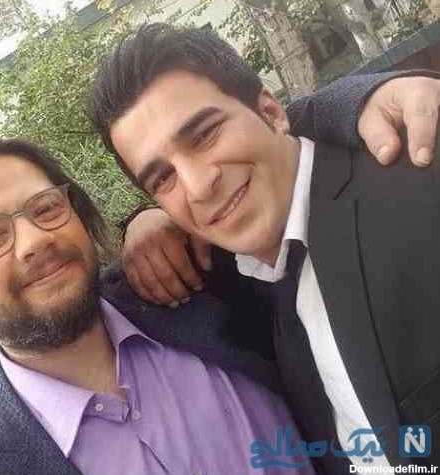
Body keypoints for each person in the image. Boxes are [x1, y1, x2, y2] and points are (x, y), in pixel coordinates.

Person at [88, 23, 440, 473]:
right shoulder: (236, 276)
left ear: (271, 111)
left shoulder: (418, 177)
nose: (198, 186)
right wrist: (141, 223)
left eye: (204, 135)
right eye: (163, 178)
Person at [0, 138, 319, 475]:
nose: (35, 239)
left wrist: (160, 218)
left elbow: (286, 144)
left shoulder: (190, 278)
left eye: (47, 208)